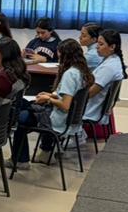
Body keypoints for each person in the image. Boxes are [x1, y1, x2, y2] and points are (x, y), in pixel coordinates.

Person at [11, 39, 92, 167]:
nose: (58, 57)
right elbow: (69, 97)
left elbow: (65, 105)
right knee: (24, 104)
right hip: (68, 119)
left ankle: (21, 160)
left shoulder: (70, 74)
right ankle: (46, 151)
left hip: (57, 119)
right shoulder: (82, 72)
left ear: (65, 55)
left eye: (59, 54)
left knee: (19, 118)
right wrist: (50, 95)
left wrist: (48, 99)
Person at [84, 29, 127, 125]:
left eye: (101, 44)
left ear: (112, 47)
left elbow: (90, 93)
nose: (97, 47)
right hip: (91, 107)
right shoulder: (112, 60)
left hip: (89, 111)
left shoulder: (109, 67)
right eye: (97, 44)